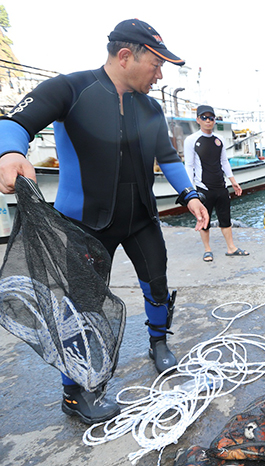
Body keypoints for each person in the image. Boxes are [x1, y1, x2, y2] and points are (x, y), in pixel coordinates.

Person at [0, 19, 210, 424]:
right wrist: (9, 153)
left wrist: (190, 195)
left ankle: (157, 342)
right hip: (83, 224)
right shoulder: (70, 89)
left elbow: (167, 158)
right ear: (126, 56)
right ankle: (74, 393)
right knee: (80, 308)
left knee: (157, 283)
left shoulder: (150, 107)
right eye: (157, 64)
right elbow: (13, 123)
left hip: (142, 218)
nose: (161, 74)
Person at [184, 105, 249, 261]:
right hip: (203, 188)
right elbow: (189, 166)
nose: (208, 121)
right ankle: (207, 249)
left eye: (211, 118)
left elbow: (224, 162)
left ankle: (231, 248)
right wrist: (191, 190)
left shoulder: (219, 139)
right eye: (204, 117)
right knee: (203, 220)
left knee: (225, 218)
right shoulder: (191, 140)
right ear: (198, 119)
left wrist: (233, 181)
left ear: (214, 120)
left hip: (221, 187)